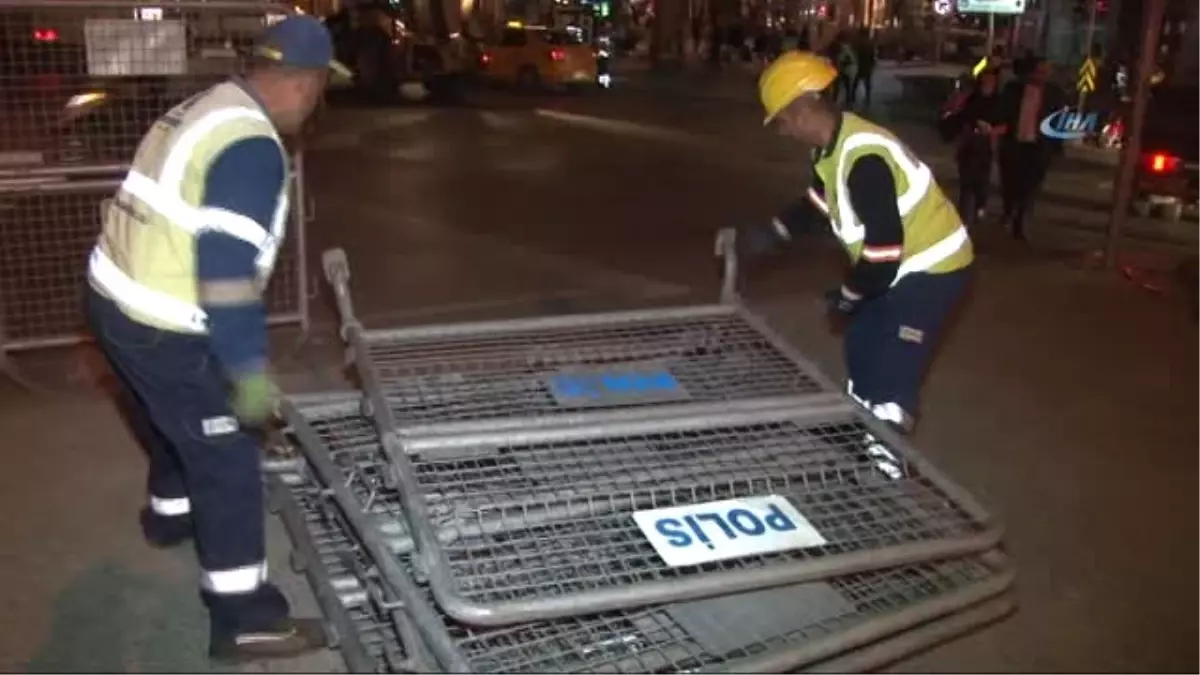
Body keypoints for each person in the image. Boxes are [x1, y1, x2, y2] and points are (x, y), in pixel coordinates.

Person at [83, 16, 348, 663]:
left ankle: (169, 515)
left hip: (112, 295)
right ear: (305, 83)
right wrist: (248, 376)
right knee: (227, 455)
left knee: (170, 415)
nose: (317, 105)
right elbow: (226, 277)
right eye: (320, 90)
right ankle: (243, 618)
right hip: (161, 321)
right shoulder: (252, 148)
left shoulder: (206, 107)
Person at [726, 51, 973, 434]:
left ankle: (886, 456)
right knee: (861, 343)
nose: (783, 131)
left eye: (784, 121)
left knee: (894, 369)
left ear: (805, 108)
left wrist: (850, 294)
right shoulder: (834, 147)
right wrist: (772, 231)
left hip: (933, 270)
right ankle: (859, 425)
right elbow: (820, 203)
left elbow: (882, 253)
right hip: (895, 267)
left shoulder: (864, 159)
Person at [998, 57, 1064, 241]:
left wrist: (1056, 148)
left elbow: (1056, 122)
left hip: (1038, 147)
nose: (1043, 76)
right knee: (1010, 184)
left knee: (1030, 187)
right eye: (1040, 72)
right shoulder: (1014, 90)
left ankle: (1020, 221)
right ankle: (1009, 210)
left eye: (1046, 72)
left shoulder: (1054, 94)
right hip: (1015, 144)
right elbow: (1003, 112)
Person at [952, 68, 1007, 227]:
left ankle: (979, 208)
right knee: (966, 183)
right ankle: (964, 216)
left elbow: (1005, 124)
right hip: (969, 146)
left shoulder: (999, 102)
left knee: (982, 182)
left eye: (990, 81)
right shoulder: (971, 100)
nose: (987, 84)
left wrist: (993, 130)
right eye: (984, 81)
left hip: (987, 146)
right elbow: (961, 118)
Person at [851, 29, 877, 108]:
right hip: (867, 65)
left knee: (856, 82)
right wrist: (872, 64)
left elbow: (854, 52)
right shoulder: (869, 43)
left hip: (860, 65)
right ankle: (867, 98)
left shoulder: (859, 43)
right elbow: (872, 55)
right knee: (867, 83)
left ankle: (852, 98)